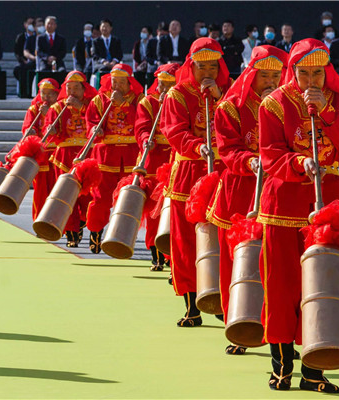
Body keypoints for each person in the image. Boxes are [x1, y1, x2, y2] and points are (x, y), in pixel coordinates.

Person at [257, 37, 339, 392]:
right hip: (284, 201)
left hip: (328, 200)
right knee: (281, 285)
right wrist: (299, 162)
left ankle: (314, 369)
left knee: (323, 284)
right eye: (303, 73)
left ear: (327, 71)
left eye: (317, 73)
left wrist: (329, 113)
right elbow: (270, 154)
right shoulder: (274, 104)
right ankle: (281, 365)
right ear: (293, 72)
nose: (311, 81)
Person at [209, 45, 288, 354]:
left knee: (276, 261)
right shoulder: (231, 106)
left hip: (277, 189)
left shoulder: (286, 105)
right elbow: (227, 149)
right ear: (252, 74)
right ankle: (239, 326)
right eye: (264, 76)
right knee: (236, 262)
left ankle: (279, 328)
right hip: (240, 189)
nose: (271, 82)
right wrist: (249, 161)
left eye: (276, 76)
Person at [162, 38, 231, 327]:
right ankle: (192, 305)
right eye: (201, 66)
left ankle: (223, 300)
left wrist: (220, 98)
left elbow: (240, 124)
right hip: (189, 171)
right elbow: (174, 131)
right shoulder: (177, 94)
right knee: (185, 242)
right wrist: (195, 145)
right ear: (191, 66)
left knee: (224, 236)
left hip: (224, 171)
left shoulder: (230, 92)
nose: (207, 72)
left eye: (213, 67)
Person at [85, 64, 144, 253]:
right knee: (100, 197)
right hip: (106, 156)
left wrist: (123, 104)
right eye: (114, 82)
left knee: (128, 198)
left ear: (129, 83)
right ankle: (95, 231)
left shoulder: (139, 100)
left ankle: (123, 235)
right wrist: (95, 129)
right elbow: (91, 122)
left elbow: (141, 123)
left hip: (131, 155)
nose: (116, 86)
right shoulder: (99, 100)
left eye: (121, 82)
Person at [133, 63, 179, 270]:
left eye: (170, 85)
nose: (164, 89)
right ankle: (156, 254)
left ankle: (173, 255)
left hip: (176, 157)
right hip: (154, 159)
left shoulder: (181, 101)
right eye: (162, 84)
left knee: (174, 210)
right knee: (154, 209)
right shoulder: (148, 102)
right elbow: (141, 126)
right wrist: (145, 139)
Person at [46, 71, 98, 247]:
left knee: (87, 196)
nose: (72, 92)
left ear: (84, 89)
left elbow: (96, 121)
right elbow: (50, 130)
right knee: (66, 195)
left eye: (76, 88)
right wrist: (51, 130)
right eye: (69, 88)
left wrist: (81, 108)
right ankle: (71, 233)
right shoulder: (57, 108)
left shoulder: (93, 105)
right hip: (64, 156)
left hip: (87, 154)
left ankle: (83, 222)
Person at [21, 78, 60, 221]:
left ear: (57, 94)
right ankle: (39, 220)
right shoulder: (33, 109)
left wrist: (49, 113)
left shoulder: (61, 108)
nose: (46, 97)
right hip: (41, 154)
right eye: (43, 93)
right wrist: (29, 131)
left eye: (50, 94)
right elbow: (27, 127)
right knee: (40, 190)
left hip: (57, 153)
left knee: (57, 188)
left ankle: (57, 220)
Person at [13, 16, 36, 95]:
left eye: (32, 24)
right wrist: (23, 60)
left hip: (35, 61)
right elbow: (17, 52)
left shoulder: (37, 37)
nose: (31, 26)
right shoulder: (20, 37)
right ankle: (23, 91)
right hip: (24, 61)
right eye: (29, 23)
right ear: (25, 24)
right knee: (19, 70)